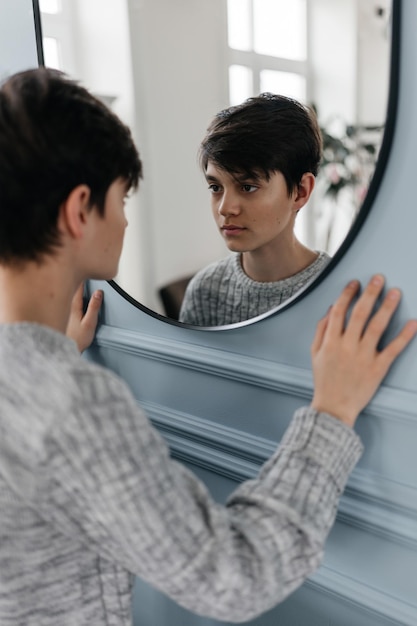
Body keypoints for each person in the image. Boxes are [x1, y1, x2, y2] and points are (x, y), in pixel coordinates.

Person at [0, 67, 415, 626]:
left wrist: (51, 358)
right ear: (80, 210)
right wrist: (333, 411)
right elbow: (232, 579)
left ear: (301, 191)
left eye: (246, 185)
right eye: (123, 199)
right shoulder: (72, 404)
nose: (125, 220)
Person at [179, 93, 330, 326]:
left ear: (300, 191)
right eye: (215, 187)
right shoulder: (205, 291)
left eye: (247, 187)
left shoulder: (339, 293)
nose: (225, 208)